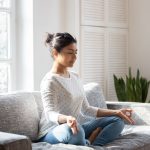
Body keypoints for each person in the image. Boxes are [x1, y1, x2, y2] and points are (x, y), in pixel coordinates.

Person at [36, 32, 134, 146]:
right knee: (74, 131)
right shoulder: (50, 81)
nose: (74, 57)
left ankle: (92, 146)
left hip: (77, 127)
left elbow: (87, 109)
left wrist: (117, 112)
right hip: (52, 131)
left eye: (75, 52)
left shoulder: (75, 77)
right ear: (55, 53)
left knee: (117, 121)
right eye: (69, 52)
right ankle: (87, 142)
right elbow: (50, 113)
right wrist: (66, 118)